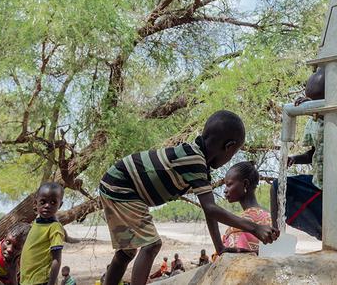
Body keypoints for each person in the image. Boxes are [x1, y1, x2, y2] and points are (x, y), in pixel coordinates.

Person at [99, 110, 279, 285]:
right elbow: (211, 208)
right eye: (233, 153)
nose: (230, 158)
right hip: (120, 186)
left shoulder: (198, 162)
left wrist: (220, 248)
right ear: (229, 146)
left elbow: (210, 211)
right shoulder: (194, 159)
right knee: (152, 245)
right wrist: (255, 228)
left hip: (117, 185)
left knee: (126, 252)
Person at [270, 67, 325, 240]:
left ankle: (324, 231)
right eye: (311, 102)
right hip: (318, 182)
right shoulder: (313, 122)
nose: (314, 107)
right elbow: (312, 155)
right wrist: (294, 159)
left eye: (318, 102)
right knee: (277, 186)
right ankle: (276, 233)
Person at [219, 161, 272, 253]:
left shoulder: (238, 226)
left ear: (245, 184)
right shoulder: (270, 217)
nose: (225, 190)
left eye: (229, 184)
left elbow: (232, 262)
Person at [19, 182, 66, 285]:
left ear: (60, 205)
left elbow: (56, 259)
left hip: (41, 281)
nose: (47, 205)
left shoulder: (54, 227)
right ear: (36, 203)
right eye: (43, 202)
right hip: (27, 281)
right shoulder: (36, 223)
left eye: (53, 202)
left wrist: (51, 283)